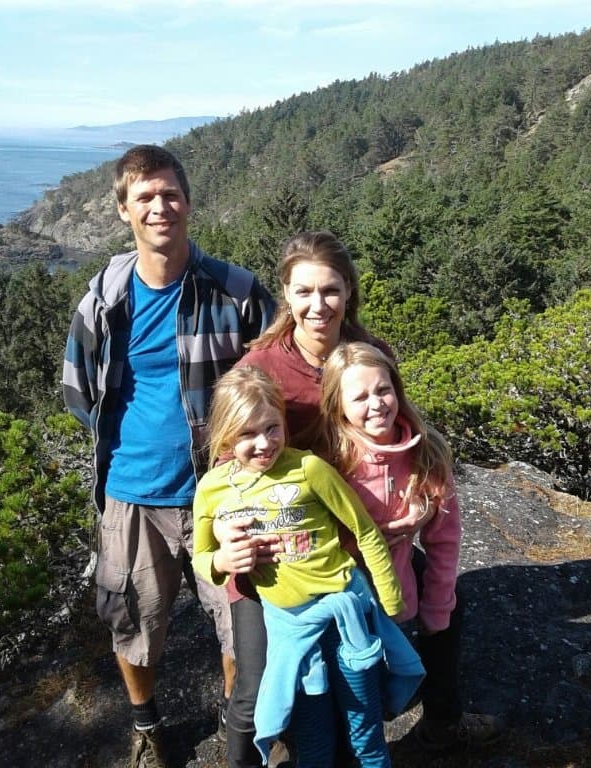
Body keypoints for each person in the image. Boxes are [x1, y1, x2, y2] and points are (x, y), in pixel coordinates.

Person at [61, 144, 275, 768]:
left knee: (242, 622)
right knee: (134, 622)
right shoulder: (103, 300)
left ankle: (239, 724)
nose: (160, 207)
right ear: (123, 209)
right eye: (145, 197)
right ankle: (146, 726)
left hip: (226, 492)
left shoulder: (235, 292)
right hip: (132, 494)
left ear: (189, 201)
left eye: (170, 194)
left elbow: (277, 377)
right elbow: (79, 393)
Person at [213, 230, 431, 768]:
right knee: (256, 686)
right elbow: (224, 462)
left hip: (347, 549)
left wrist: (415, 499)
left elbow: (398, 433)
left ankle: (444, 724)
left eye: (330, 290)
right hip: (273, 555)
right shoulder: (261, 368)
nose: (318, 305)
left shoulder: (370, 354)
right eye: (304, 291)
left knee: (418, 628)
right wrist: (222, 535)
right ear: (285, 295)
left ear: (349, 290)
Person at [192, 366, 424, 768]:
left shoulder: (309, 469)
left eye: (272, 428)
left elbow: (364, 531)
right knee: (314, 742)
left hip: (346, 617)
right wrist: (221, 561)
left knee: (365, 734)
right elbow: (201, 555)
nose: (264, 443)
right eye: (247, 434)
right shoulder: (212, 489)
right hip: (291, 631)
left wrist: (389, 602)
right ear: (226, 435)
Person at [315, 341, 504, 751]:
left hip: (398, 580)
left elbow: (444, 538)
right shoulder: (327, 462)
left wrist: (437, 607)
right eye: (359, 397)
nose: (376, 404)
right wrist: (374, 535)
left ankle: (442, 723)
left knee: (449, 607)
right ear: (337, 406)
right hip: (343, 591)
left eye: (383, 390)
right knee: (358, 689)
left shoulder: (425, 451)